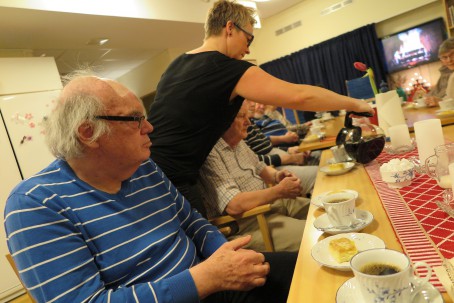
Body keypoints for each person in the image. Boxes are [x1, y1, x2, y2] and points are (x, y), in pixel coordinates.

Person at [4, 72, 297, 303]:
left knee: (309, 272)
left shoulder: (143, 167)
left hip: (214, 282)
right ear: (88, 133)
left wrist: (227, 257)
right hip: (206, 282)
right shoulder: (35, 204)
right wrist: (206, 278)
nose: (149, 128)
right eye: (135, 119)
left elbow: (192, 222)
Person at [147, 0, 374, 216]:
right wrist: (355, 103)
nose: (247, 50)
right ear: (229, 28)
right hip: (175, 179)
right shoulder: (227, 69)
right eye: (249, 39)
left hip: (149, 173)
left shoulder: (177, 64)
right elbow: (300, 96)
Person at [198, 104, 309, 252]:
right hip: (250, 222)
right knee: (315, 234)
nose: (249, 122)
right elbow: (234, 205)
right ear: (224, 120)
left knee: (323, 211)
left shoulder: (239, 142)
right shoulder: (209, 153)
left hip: (271, 205)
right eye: (241, 116)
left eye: (247, 115)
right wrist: (279, 190)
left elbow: (259, 166)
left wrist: (277, 176)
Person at [425, 37, 454, 107]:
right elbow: (450, 99)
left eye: (452, 55)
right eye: (444, 57)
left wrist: (440, 102)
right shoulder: (448, 73)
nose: (449, 60)